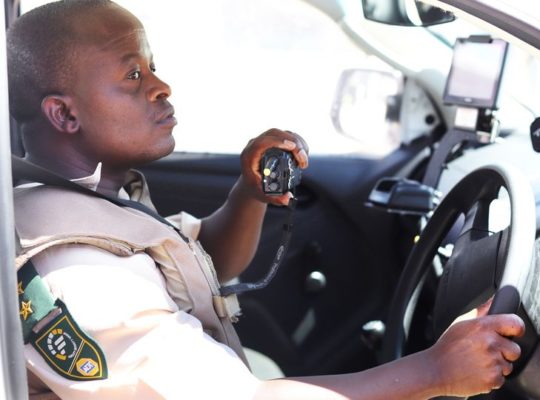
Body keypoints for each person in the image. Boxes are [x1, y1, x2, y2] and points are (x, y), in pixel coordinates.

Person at [7, 1, 525, 399]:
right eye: (133, 74)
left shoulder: (95, 198)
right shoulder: (76, 270)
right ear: (65, 115)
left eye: (153, 66)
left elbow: (205, 262)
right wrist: (435, 371)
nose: (162, 87)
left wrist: (249, 194)